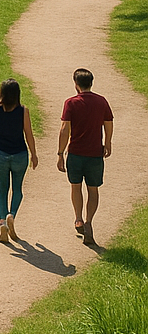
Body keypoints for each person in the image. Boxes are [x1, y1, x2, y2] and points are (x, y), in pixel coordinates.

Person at [58, 68, 113, 246]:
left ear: (76, 84)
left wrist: (60, 153)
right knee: (93, 189)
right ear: (91, 82)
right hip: (95, 153)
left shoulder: (71, 103)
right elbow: (108, 123)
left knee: (76, 187)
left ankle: (78, 219)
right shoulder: (101, 101)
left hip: (75, 152)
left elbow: (64, 129)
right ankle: (89, 221)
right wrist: (108, 142)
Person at [0, 78, 39, 242]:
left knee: (3, 190)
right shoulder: (23, 111)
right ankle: (11, 213)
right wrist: (34, 154)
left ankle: (2, 222)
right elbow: (28, 134)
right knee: (17, 189)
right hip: (19, 154)